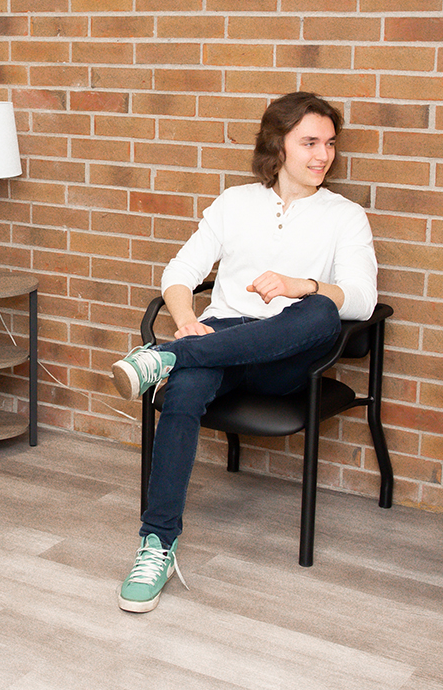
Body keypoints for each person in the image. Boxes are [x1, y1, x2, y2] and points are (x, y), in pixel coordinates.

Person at [109, 91, 377, 613]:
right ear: (278, 145)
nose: (323, 155)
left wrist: (302, 286)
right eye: (310, 143)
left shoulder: (344, 216)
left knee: (323, 311)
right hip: (220, 340)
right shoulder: (234, 203)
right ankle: (157, 544)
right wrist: (186, 321)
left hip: (286, 354)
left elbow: (362, 298)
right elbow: (180, 272)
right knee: (184, 395)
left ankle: (166, 357)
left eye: (329, 144)